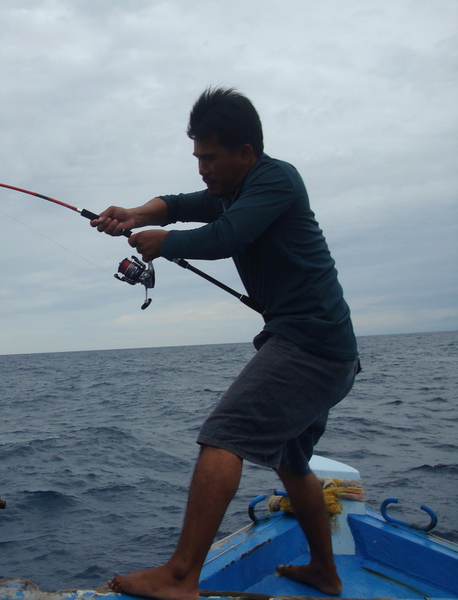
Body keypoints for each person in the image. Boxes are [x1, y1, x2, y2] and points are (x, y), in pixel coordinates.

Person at [91, 87, 360, 599]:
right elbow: (177, 204)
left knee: (225, 435)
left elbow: (225, 237)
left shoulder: (275, 180)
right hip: (325, 345)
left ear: (245, 153)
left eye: (210, 158)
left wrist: (163, 244)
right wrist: (134, 215)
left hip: (310, 344)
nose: (202, 169)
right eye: (197, 157)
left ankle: (179, 577)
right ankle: (326, 572)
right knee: (292, 460)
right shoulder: (230, 190)